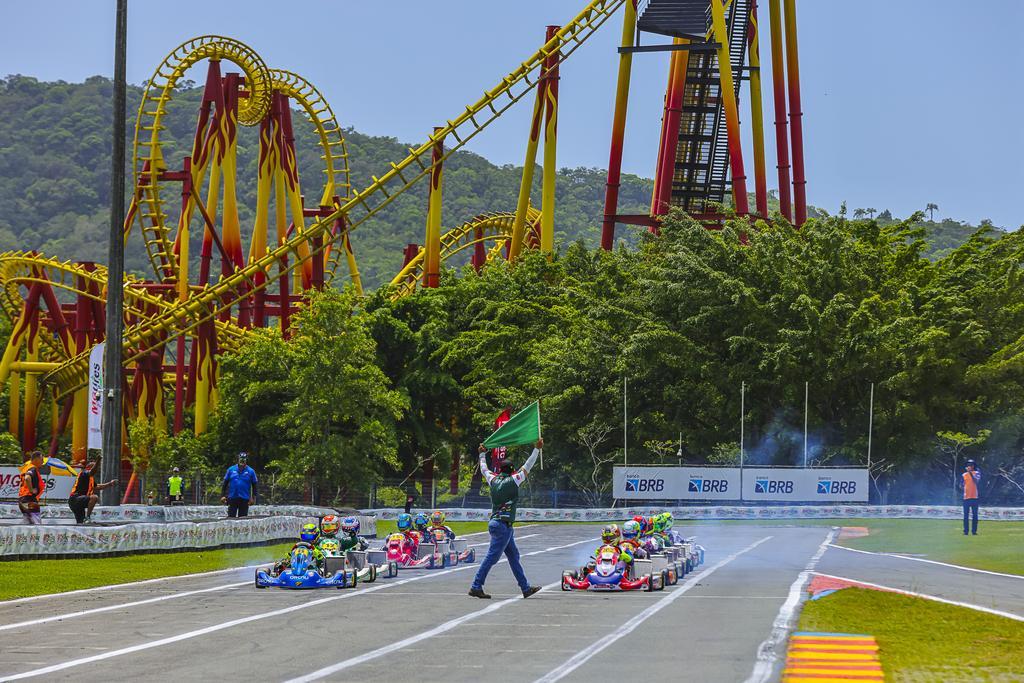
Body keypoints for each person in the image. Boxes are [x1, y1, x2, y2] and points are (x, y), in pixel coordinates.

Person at [468, 438, 543, 600]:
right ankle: (476, 586)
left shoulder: (493, 479)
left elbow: (484, 469)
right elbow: (528, 465)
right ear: (512, 469)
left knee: (513, 556)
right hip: (503, 525)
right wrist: (537, 449)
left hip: (497, 523)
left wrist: (482, 454)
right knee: (492, 557)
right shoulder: (514, 479)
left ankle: (525, 588)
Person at [68, 456, 117, 524]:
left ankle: (83, 522)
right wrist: (98, 461)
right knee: (94, 497)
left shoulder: (90, 478)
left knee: (80, 523)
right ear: (88, 467)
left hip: (79, 502)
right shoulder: (84, 473)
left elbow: (97, 487)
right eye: (94, 466)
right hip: (75, 499)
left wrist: (110, 484)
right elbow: (92, 471)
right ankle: (87, 517)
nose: (97, 469)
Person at [220, 452, 257, 518]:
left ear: (246, 460)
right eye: (241, 459)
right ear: (238, 459)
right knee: (231, 518)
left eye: (244, 459)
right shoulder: (231, 469)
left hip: (244, 498)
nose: (242, 460)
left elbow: (254, 486)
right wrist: (222, 495)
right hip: (232, 497)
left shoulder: (251, 471)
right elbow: (225, 484)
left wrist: (253, 498)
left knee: (243, 519)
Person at [18, 451, 45, 525]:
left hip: (22, 500)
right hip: (29, 499)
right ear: (36, 459)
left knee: (28, 526)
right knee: (37, 524)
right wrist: (31, 490)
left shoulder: (27, 467)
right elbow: (27, 478)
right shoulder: (32, 468)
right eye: (41, 459)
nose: (43, 462)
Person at [962, 459, 982, 536]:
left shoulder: (977, 473)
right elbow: (961, 484)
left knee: (975, 516)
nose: (969, 466)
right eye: (968, 465)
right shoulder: (964, 475)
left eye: (971, 465)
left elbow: (976, 481)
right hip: (966, 498)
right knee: (965, 516)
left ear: (973, 466)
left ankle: (974, 531)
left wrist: (970, 473)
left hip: (974, 497)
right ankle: (965, 531)